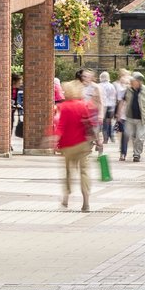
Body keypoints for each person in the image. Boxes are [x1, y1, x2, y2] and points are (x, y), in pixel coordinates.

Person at [53, 80, 99, 211]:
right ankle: (86, 202)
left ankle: (65, 200)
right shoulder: (83, 105)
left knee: (68, 172)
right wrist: (97, 140)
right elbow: (90, 124)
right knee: (84, 172)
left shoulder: (64, 106)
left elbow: (60, 126)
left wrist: (55, 141)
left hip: (68, 146)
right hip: (83, 145)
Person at [120, 72, 145, 161]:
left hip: (141, 118)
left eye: (133, 80)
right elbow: (123, 101)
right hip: (129, 117)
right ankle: (123, 153)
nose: (131, 82)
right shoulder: (128, 90)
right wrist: (118, 113)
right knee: (126, 134)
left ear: (139, 81)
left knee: (140, 137)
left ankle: (137, 155)